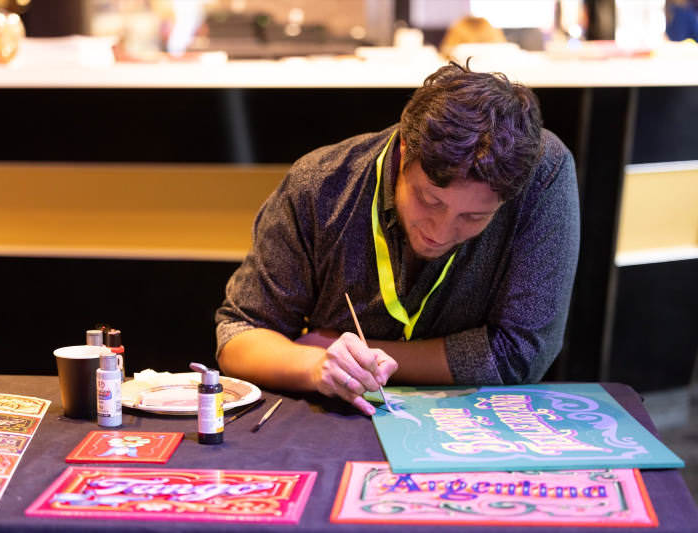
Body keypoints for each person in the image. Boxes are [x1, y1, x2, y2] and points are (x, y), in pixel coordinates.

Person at [215, 62, 580, 416]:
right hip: (334, 415)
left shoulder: (542, 174)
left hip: (479, 424)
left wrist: (359, 351)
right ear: (405, 149)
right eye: (428, 200)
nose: (439, 232)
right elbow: (240, 336)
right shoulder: (321, 186)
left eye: (474, 217)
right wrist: (317, 365)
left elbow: (518, 356)